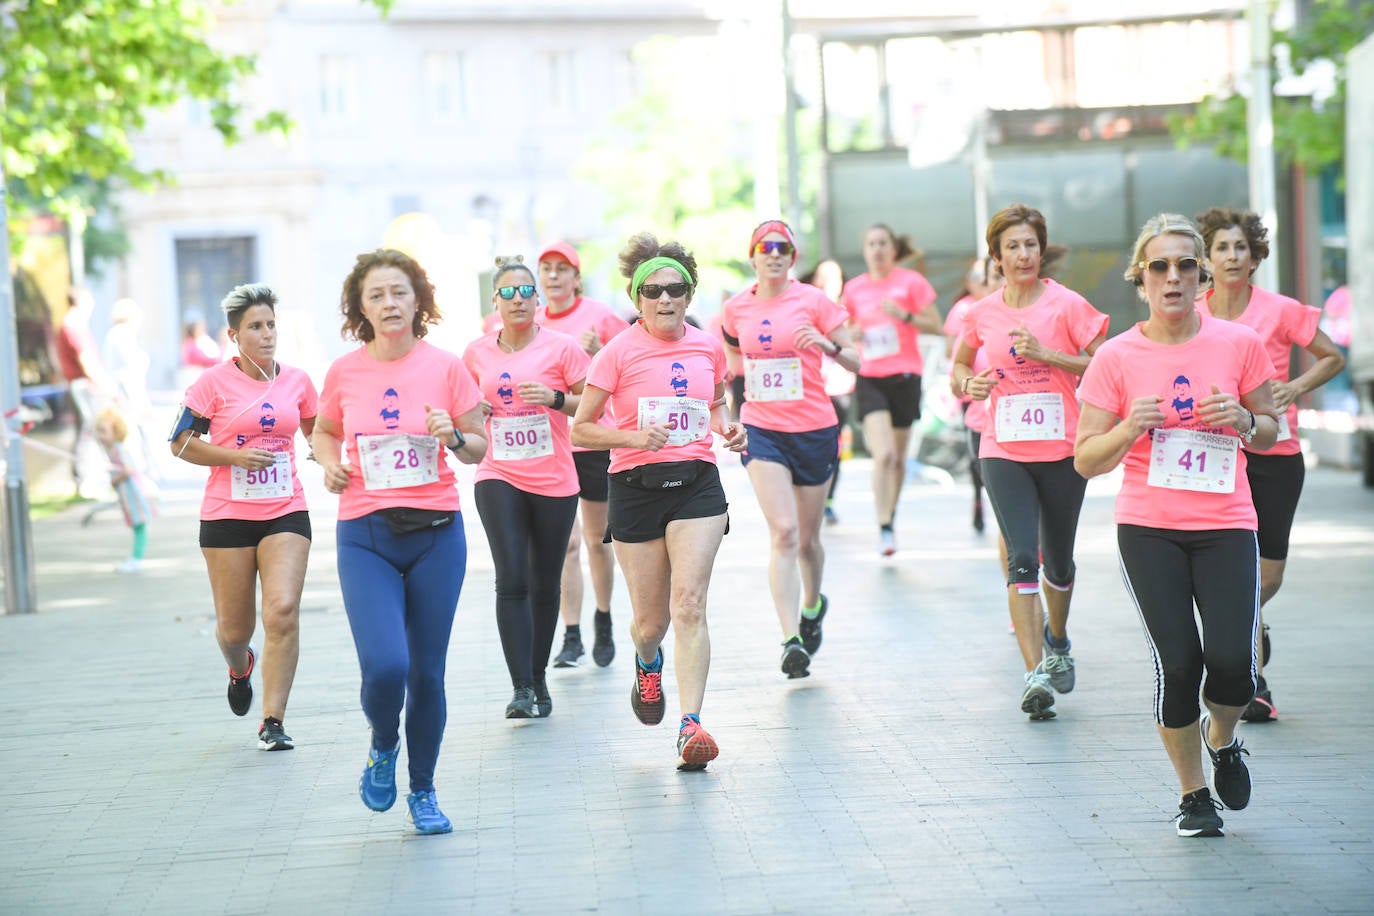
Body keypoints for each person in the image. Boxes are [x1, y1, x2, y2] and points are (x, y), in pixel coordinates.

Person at [1075, 213, 1279, 838]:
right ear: (1141, 280)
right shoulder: (1116, 356)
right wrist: (1128, 428)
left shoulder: (1238, 343)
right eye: (1159, 267)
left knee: (1233, 666)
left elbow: (1271, 430)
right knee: (1179, 664)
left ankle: (1223, 739)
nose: (1173, 277)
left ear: (1203, 276)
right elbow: (1085, 458)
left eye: (1185, 266)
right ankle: (1194, 795)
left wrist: (1243, 421)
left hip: (1226, 524)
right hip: (1149, 528)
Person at [314, 249, 487, 835]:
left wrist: (455, 435)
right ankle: (383, 742)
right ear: (361, 309)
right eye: (376, 296)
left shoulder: (446, 367)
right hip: (365, 534)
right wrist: (327, 463)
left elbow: (480, 448)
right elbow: (325, 428)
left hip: (437, 534)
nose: (389, 304)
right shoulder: (345, 371)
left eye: (399, 293)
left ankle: (424, 791)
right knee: (387, 667)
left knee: (427, 675)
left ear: (418, 301)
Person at [570, 232, 747, 771]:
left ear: (690, 295)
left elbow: (716, 403)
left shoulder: (707, 345)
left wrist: (728, 428)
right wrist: (630, 438)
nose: (665, 299)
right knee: (651, 623)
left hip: (697, 483)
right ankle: (648, 663)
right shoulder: (616, 354)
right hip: (635, 489)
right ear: (636, 297)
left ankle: (691, 724)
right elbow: (581, 430)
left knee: (688, 604)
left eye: (675, 289)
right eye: (653, 291)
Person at [951, 205, 1109, 720]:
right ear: (996, 256)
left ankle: (1057, 638)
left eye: (1031, 245)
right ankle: (1035, 671)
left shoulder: (1066, 306)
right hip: (1003, 449)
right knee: (1023, 556)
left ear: (1042, 251)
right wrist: (967, 385)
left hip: (1063, 449)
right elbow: (958, 366)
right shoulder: (982, 312)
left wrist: (1050, 355)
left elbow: (1107, 363)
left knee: (1058, 563)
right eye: (1013, 246)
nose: (1023, 254)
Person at [1194, 207, 1346, 722]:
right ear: (1207, 259)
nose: (1233, 256)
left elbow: (1332, 356)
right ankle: (1252, 681)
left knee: (1268, 574)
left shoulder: (1280, 311)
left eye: (1241, 248)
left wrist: (1295, 387)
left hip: (1275, 451)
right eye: (1222, 248)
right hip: (1215, 453)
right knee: (1235, 569)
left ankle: (1249, 624)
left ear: (1254, 257)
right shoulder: (1192, 312)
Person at [169, 284, 317, 754]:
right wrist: (232, 458)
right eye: (255, 326)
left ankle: (272, 721)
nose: (267, 333)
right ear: (235, 336)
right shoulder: (210, 384)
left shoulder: (298, 381)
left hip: (285, 510)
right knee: (236, 631)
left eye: (271, 324)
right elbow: (180, 443)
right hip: (227, 516)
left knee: (282, 611)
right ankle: (240, 666)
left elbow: (320, 428)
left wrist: (325, 452)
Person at [721, 221, 858, 678]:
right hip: (763, 430)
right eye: (765, 247)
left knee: (807, 540)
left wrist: (827, 345)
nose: (774, 254)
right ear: (753, 255)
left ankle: (813, 604)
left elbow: (857, 359)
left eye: (783, 248)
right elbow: (729, 355)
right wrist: (728, 379)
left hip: (815, 429)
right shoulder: (736, 307)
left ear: (792, 258)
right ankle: (790, 638)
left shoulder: (814, 301)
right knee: (783, 532)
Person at [463, 255, 589, 718]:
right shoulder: (476, 352)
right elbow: (463, 412)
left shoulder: (563, 348)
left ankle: (538, 678)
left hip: (555, 478)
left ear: (538, 300)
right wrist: (474, 411)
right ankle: (519, 687)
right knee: (511, 576)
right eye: (508, 293)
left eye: (525, 292)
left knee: (543, 582)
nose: (517, 300)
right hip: (498, 473)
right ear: (495, 301)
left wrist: (555, 398)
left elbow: (591, 407)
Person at [536, 241, 628, 670]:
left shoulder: (600, 318)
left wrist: (596, 354)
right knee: (565, 544)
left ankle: (604, 618)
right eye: (547, 269)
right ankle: (570, 634)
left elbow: (631, 366)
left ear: (576, 277)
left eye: (562, 269)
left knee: (595, 540)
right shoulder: (531, 322)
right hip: (551, 444)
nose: (553, 276)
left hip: (592, 441)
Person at [839, 224, 941, 555]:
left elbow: (936, 326)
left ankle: (890, 518)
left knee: (897, 458)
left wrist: (905, 315)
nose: (878, 249)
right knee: (881, 455)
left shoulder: (911, 283)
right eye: (871, 244)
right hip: (870, 376)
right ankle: (883, 523)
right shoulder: (854, 289)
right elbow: (840, 330)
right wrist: (851, 332)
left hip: (906, 376)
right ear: (865, 250)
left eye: (883, 243)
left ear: (893, 250)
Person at [944, 256, 1004, 534]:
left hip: (1034, 431)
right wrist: (968, 383)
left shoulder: (1045, 314)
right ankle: (979, 500)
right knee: (1000, 496)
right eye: (994, 277)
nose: (1002, 282)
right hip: (980, 418)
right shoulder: (972, 317)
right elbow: (955, 369)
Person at [803, 259, 853, 525]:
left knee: (833, 447)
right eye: (822, 277)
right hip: (808, 389)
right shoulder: (803, 308)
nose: (827, 284)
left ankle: (828, 500)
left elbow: (855, 348)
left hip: (838, 388)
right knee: (810, 445)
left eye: (834, 278)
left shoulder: (844, 312)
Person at [54, 285, 109, 497]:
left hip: (80, 384)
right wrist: (103, 383)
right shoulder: (74, 325)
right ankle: (86, 482)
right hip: (85, 386)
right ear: (81, 301)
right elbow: (86, 361)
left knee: (87, 431)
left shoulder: (70, 324)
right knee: (90, 432)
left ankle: (87, 480)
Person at [95, 405, 157, 573]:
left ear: (115, 432)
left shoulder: (119, 449)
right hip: (128, 493)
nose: (99, 436)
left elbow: (129, 469)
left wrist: (114, 479)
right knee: (136, 525)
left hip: (133, 493)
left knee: (139, 525)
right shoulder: (112, 451)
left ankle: (136, 559)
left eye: (103, 431)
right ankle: (135, 558)